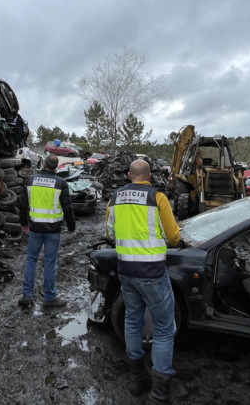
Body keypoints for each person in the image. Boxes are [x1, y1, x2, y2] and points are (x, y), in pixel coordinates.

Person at [105, 159, 180, 403]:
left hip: (126, 272)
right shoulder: (157, 198)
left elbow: (110, 234)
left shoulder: (114, 198)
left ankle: (138, 379)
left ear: (129, 175)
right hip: (153, 275)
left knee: (133, 321)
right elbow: (174, 237)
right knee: (164, 329)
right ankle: (159, 393)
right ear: (149, 175)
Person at [18, 154, 76, 308]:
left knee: (31, 260)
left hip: (35, 228)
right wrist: (71, 226)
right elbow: (68, 207)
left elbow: (22, 204)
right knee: (50, 263)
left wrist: (24, 223)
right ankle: (49, 297)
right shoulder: (61, 183)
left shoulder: (30, 180)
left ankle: (27, 295)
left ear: (44, 164)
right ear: (56, 167)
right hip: (53, 229)